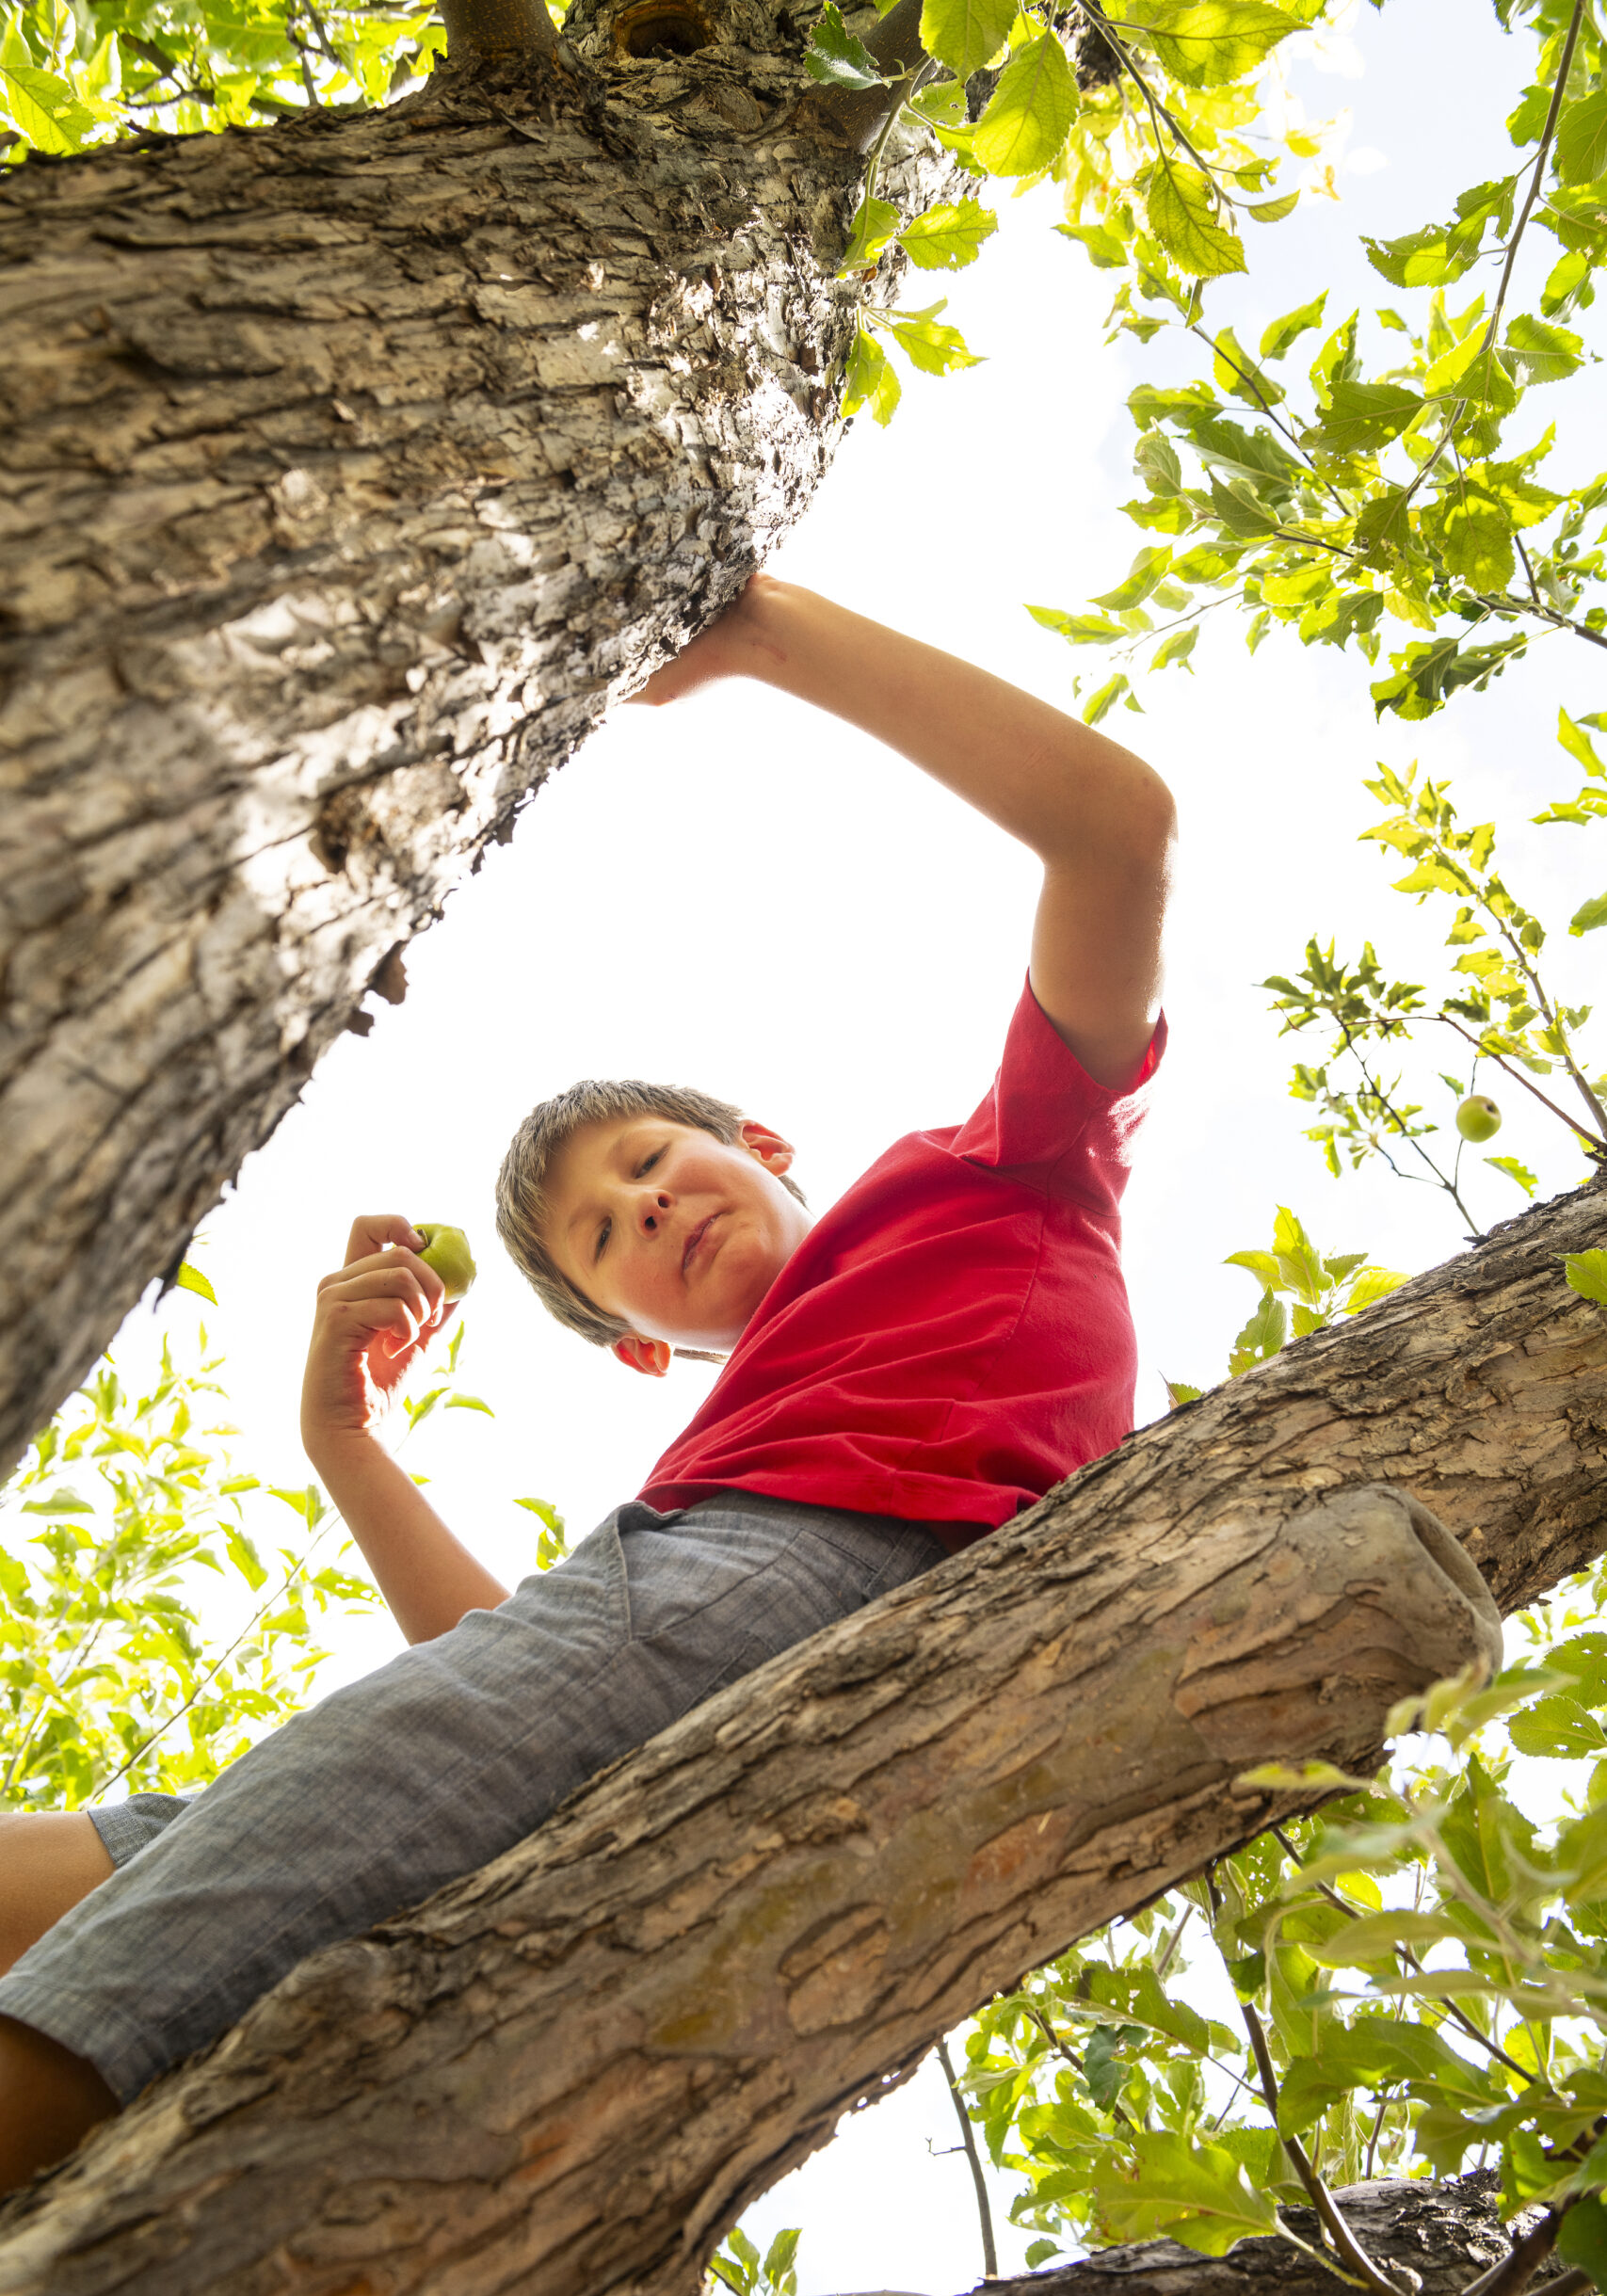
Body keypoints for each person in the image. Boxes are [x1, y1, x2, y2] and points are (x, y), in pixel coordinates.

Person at [0, 575, 1173, 2193]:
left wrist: (761, 635)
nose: (648, 1205)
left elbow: (1116, 831)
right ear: (636, 1342)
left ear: (758, 1142)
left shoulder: (997, 1170)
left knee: (185, 1926)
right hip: (680, 1601)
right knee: (152, 1848)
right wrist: (342, 1440)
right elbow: (514, 1691)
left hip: (847, 1573)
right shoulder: (723, 1454)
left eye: (651, 1159)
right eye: (606, 1237)